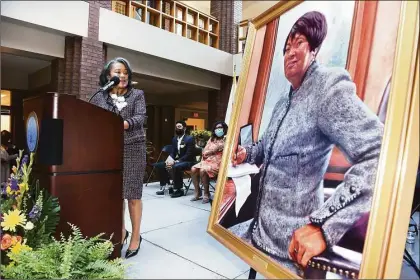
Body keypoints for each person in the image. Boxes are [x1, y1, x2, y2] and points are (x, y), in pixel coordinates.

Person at [230, 11, 384, 275]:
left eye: (298, 43)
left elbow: (380, 154)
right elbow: (266, 148)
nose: (289, 53)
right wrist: (245, 152)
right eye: (286, 48)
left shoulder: (328, 89)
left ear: (314, 49)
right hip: (259, 233)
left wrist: (324, 226)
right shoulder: (282, 101)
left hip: (292, 250)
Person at [89, 57, 146, 259]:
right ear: (107, 75)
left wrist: (122, 124)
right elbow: (91, 119)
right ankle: (121, 232)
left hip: (133, 148)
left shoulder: (137, 94)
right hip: (109, 150)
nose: (122, 76)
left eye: (125, 73)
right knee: (116, 197)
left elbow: (140, 117)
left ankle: (136, 237)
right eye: (118, 72)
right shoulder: (98, 97)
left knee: (133, 195)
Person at [155, 121, 196, 198]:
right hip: (178, 161)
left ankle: (179, 190)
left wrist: (177, 161)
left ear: (184, 128)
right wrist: (169, 159)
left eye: (179, 126)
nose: (177, 128)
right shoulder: (174, 139)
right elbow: (173, 152)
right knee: (161, 165)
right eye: (176, 127)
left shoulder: (190, 138)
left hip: (189, 161)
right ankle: (166, 186)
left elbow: (189, 154)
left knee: (176, 166)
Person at [190, 121, 227, 203]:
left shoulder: (227, 138)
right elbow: (205, 152)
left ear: (224, 129)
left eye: (220, 127)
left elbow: (225, 150)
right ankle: (198, 192)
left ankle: (207, 193)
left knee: (203, 170)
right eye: (217, 128)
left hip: (219, 162)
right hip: (208, 160)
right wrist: (213, 151)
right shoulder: (212, 139)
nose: (218, 129)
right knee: (193, 169)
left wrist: (212, 151)